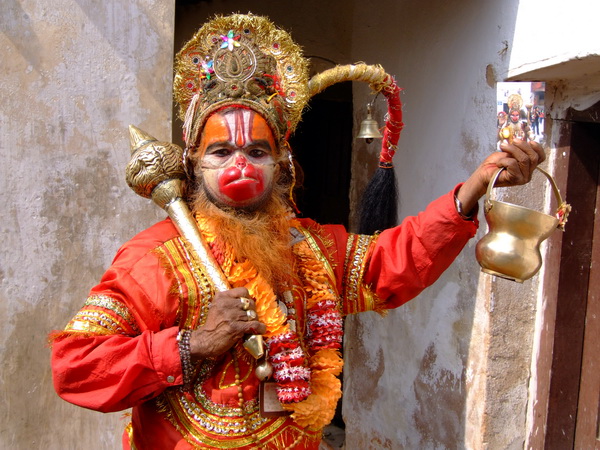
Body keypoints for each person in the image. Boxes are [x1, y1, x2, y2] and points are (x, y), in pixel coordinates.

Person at [50, 14, 545, 449]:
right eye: (221, 153)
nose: (239, 164)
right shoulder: (155, 258)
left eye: (257, 152)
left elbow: (391, 263)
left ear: (282, 165)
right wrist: (191, 345)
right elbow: (75, 366)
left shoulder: (310, 247)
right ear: (193, 165)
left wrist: (474, 189)